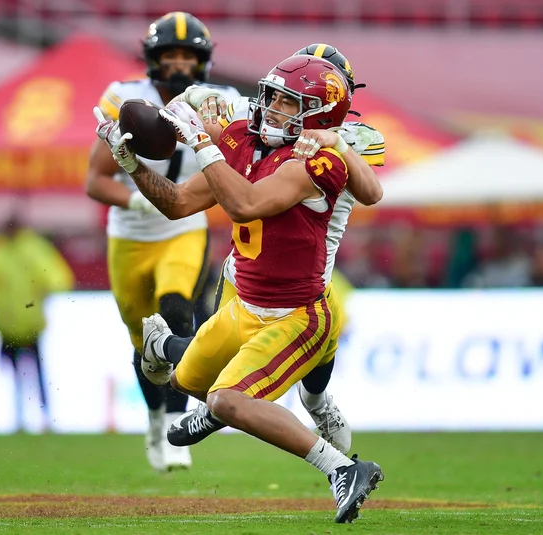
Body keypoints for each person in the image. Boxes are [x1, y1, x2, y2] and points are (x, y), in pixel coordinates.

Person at [97, 54, 384, 523]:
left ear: (321, 112)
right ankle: (170, 350)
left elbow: (248, 204)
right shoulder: (242, 140)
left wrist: (201, 142)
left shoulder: (321, 157)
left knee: (227, 399)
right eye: (271, 96)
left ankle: (343, 469)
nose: (270, 109)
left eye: (287, 103)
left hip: (297, 312)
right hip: (244, 298)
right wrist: (130, 163)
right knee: (187, 383)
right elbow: (179, 203)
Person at [84, 11, 242, 472]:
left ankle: (175, 425)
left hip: (183, 227)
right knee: (142, 342)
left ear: (203, 62)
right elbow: (96, 180)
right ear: (153, 59)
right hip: (131, 234)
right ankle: (155, 421)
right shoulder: (126, 98)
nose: (178, 65)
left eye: (187, 56)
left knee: (175, 313)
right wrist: (134, 203)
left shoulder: (222, 100)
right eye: (169, 55)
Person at [0, 213, 74, 433]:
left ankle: (44, 417)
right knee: (16, 373)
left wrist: (44, 290)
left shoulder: (29, 248)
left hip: (30, 325)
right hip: (6, 326)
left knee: (36, 373)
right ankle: (20, 417)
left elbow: (59, 279)